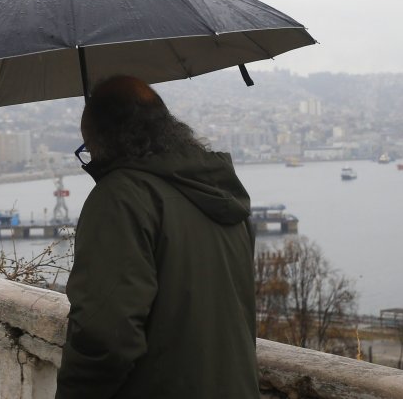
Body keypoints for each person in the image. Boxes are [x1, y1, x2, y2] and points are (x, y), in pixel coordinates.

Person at [55, 76, 259, 399]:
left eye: (87, 149)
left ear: (102, 143)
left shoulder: (120, 199)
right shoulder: (224, 193)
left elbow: (106, 336)